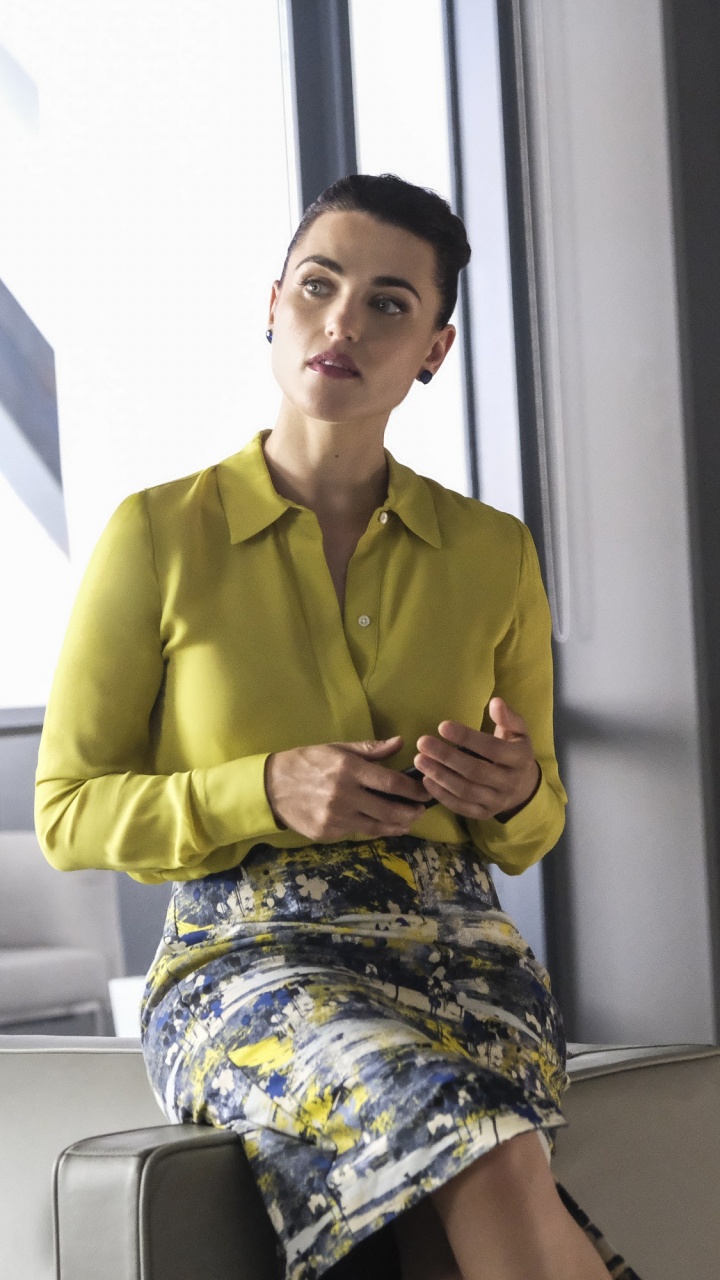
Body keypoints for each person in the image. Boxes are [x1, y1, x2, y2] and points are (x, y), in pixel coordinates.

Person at [35, 173, 639, 1280]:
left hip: (466, 952)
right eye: (319, 286)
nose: (344, 322)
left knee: (451, 1184)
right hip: (245, 960)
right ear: (274, 304)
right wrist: (261, 789)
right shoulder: (158, 533)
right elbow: (67, 810)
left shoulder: (492, 550)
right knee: (485, 1153)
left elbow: (534, 817)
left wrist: (505, 787)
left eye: (389, 303)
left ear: (435, 350)